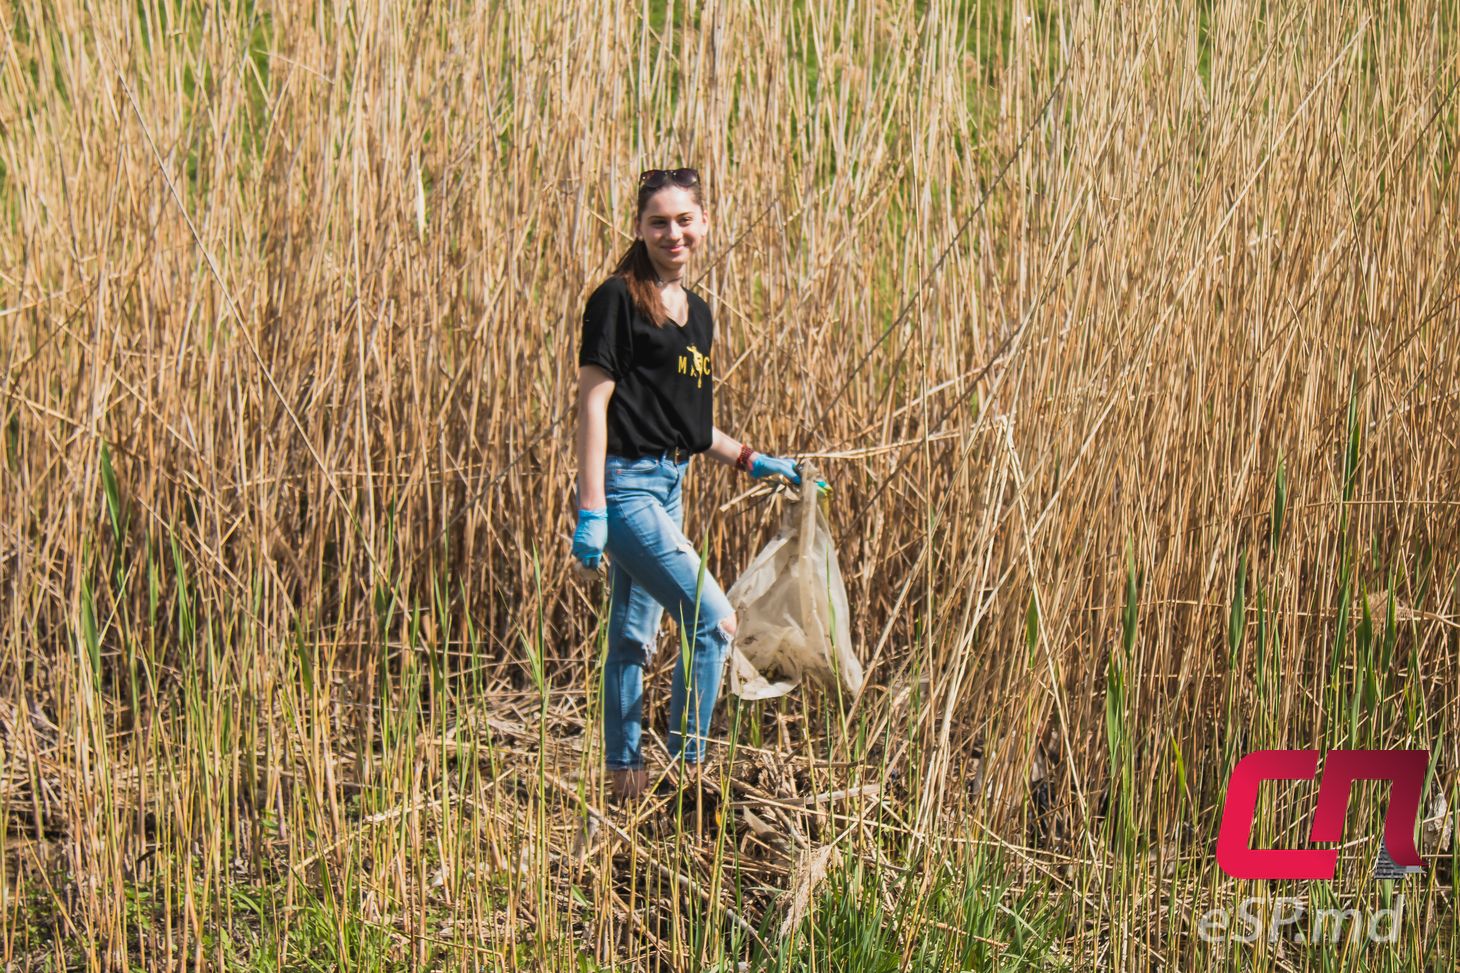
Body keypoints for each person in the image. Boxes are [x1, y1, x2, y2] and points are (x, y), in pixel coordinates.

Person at [572, 167, 808, 803]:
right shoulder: (615, 301)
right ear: (640, 229)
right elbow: (593, 406)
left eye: (684, 220)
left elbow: (692, 426)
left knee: (631, 638)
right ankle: (687, 776)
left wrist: (752, 459)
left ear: (704, 224)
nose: (672, 233)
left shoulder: (697, 315)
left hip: (669, 484)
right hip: (624, 491)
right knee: (714, 622)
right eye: (658, 222)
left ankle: (624, 778)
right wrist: (591, 509)